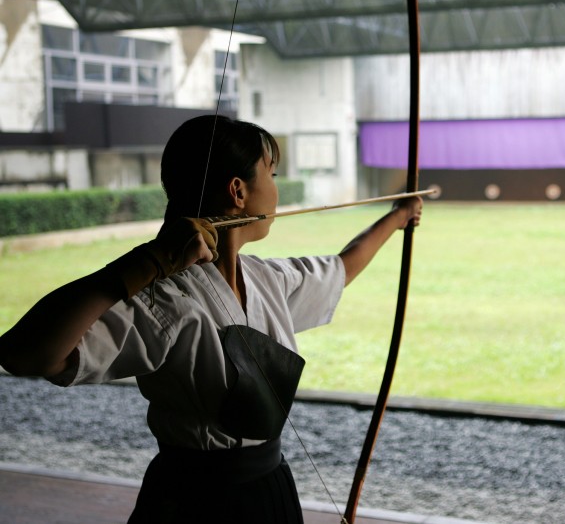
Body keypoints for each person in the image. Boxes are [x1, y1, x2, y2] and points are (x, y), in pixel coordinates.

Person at [0, 115, 423, 523]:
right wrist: (142, 266)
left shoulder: (265, 279)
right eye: (271, 175)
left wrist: (397, 217)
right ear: (238, 191)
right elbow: (26, 355)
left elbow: (341, 268)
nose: (276, 190)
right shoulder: (164, 298)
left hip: (270, 487)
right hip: (195, 503)